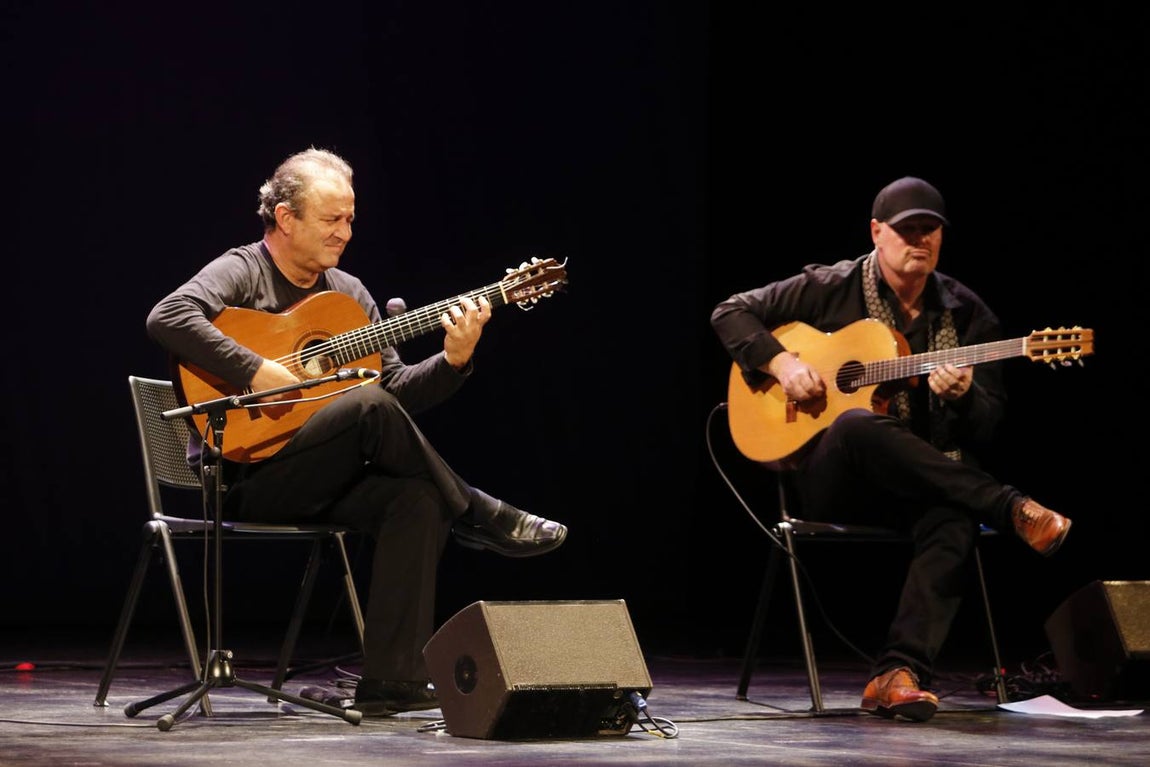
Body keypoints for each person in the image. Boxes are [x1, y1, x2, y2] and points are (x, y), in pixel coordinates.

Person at [145, 147, 568, 717]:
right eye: (331, 218)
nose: (344, 231)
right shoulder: (243, 269)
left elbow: (395, 393)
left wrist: (454, 360)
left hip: (324, 474)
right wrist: (256, 368)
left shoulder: (350, 293)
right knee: (368, 408)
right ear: (286, 218)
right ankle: (478, 511)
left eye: (349, 218)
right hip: (247, 475)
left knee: (415, 497)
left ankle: (391, 681)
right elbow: (167, 317)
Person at [710, 176, 1071, 723]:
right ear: (877, 232)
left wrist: (967, 396)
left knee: (954, 516)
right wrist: (782, 363)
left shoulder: (968, 317)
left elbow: (988, 428)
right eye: (907, 230)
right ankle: (1009, 506)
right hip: (832, 481)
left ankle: (897, 674)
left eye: (931, 231)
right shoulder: (830, 286)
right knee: (856, 424)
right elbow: (729, 312)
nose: (920, 240)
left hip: (920, 486)